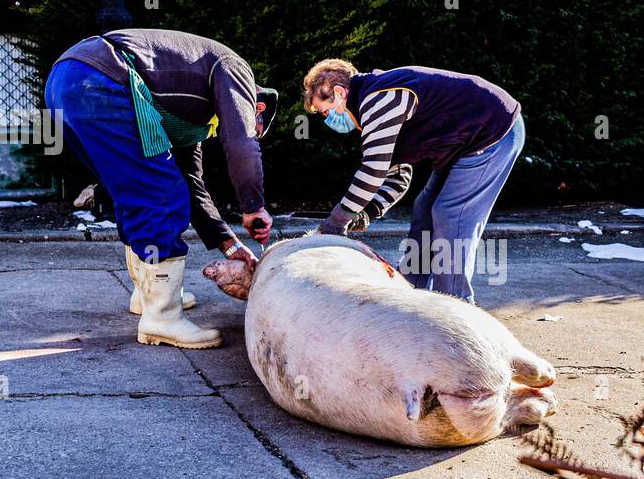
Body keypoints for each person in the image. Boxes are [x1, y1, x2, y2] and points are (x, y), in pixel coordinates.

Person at [46, 29, 277, 349]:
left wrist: (229, 245)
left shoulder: (191, 109)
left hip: (67, 80)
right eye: (254, 124)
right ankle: (162, 318)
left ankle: (148, 294)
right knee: (161, 195)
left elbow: (193, 184)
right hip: (102, 78)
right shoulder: (234, 71)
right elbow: (242, 144)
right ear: (259, 108)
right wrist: (253, 206)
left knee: (135, 190)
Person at [302, 59, 523, 303]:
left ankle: (456, 306)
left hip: (493, 132)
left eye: (325, 111)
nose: (328, 120)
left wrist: (337, 221)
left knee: (450, 214)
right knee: (424, 206)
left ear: (340, 93)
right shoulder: (370, 112)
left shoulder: (378, 100)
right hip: (463, 142)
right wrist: (367, 213)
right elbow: (398, 176)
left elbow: (373, 169)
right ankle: (411, 293)